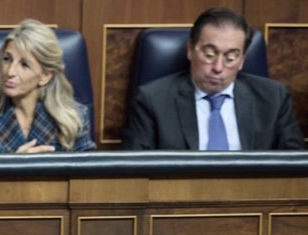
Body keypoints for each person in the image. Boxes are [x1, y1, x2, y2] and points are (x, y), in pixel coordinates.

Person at [121, 7, 305, 151]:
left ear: (242, 60)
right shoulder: (153, 99)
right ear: (190, 50)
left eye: (231, 57)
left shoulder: (273, 98)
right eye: (209, 54)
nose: (218, 67)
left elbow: (294, 167)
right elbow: (136, 171)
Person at [0, 19, 95, 153]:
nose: (10, 72)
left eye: (24, 65)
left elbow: (88, 173)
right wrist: (14, 167)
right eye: (7, 59)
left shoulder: (75, 119)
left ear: (45, 76)